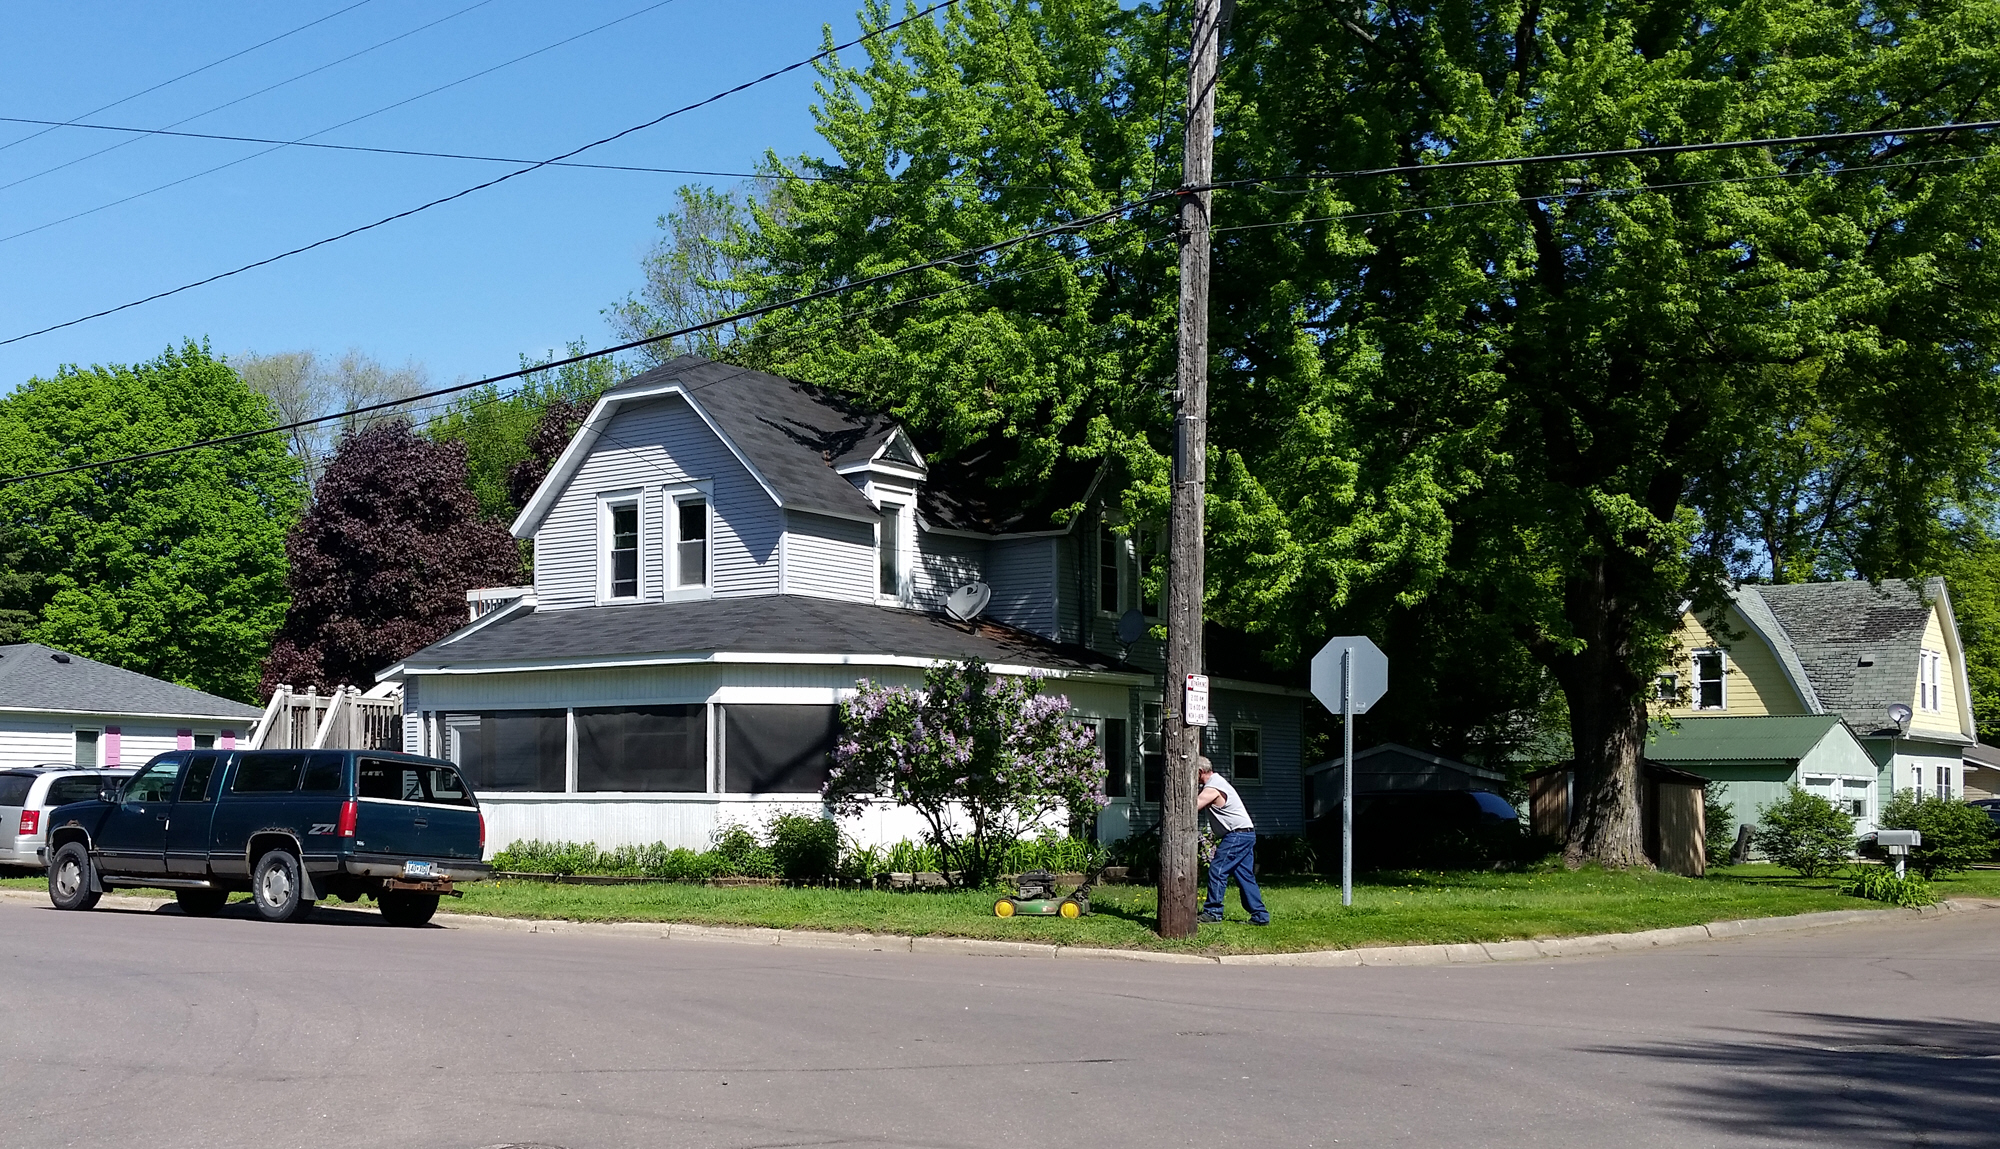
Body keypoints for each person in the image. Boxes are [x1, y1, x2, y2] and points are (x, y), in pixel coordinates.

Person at [1196, 755, 1269, 925]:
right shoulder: (1218, 782)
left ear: (1199, 772)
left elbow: (1193, 805)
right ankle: (1260, 916)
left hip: (1236, 835)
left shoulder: (1213, 787)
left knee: (1217, 869)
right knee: (1245, 876)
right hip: (1246, 834)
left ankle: (1213, 912)